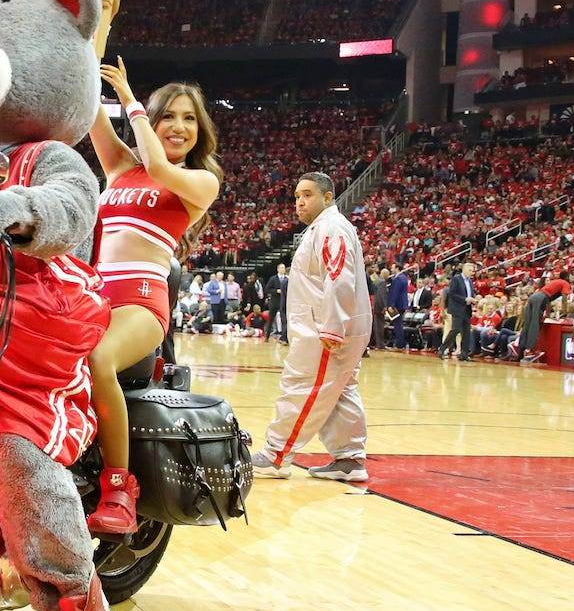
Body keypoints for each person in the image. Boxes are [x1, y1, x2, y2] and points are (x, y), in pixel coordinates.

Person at [86, 59, 221, 534]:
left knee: (98, 360)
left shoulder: (200, 182)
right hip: (91, 297)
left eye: (188, 118)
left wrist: (129, 99)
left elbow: (160, 166)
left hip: (141, 302)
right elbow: (86, 102)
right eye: (170, 117)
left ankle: (120, 487)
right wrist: (93, 29)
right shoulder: (121, 166)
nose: (179, 126)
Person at [253, 173, 372, 483]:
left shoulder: (331, 227)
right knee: (339, 391)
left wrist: (333, 328)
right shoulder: (322, 229)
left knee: (303, 385)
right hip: (330, 323)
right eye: (296, 196)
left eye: (307, 194)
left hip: (325, 327)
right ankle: (349, 459)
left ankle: (276, 455)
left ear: (328, 197)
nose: (299, 202)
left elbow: (339, 276)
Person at [516, 271, 572, 363]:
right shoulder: (565, 283)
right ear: (567, 277)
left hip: (534, 297)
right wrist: (565, 312)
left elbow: (548, 299)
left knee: (527, 324)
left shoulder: (556, 282)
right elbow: (564, 299)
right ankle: (530, 351)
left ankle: (520, 352)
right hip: (540, 299)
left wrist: (548, 315)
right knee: (535, 325)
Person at [440, 262, 478, 361]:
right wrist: (465, 299)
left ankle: (464, 354)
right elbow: (452, 294)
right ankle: (442, 349)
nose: (472, 272)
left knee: (466, 332)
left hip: (467, 309)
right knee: (455, 329)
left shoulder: (470, 281)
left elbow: (470, 294)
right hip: (457, 308)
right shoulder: (456, 279)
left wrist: (473, 299)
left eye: (473, 271)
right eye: (470, 270)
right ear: (464, 270)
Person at [388, 263, 411, 347]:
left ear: (397, 268)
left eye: (392, 268)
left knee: (397, 325)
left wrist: (391, 305)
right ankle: (399, 343)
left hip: (397, 305)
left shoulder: (398, 279)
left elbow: (395, 293)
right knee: (398, 324)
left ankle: (399, 344)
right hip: (402, 304)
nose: (391, 269)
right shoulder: (404, 277)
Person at [265, 262, 288, 342]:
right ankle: (267, 336)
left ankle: (283, 337)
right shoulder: (273, 278)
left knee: (284, 320)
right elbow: (267, 289)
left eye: (284, 268)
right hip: (274, 301)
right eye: (281, 268)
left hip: (283, 302)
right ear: (278, 269)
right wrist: (276, 291)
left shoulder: (287, 279)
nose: (283, 269)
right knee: (271, 319)